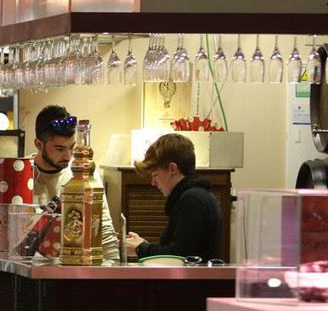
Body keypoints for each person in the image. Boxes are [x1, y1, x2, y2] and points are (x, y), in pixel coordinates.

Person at [32, 105, 120, 260]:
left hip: (74, 265)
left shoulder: (84, 173)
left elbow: (102, 227)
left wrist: (113, 264)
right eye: (59, 149)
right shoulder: (22, 174)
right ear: (39, 145)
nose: (68, 156)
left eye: (71, 147)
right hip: (31, 268)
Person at [126, 133, 223, 260]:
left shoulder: (191, 201)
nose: (153, 183)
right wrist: (144, 246)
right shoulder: (200, 196)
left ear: (172, 169)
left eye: (155, 175)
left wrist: (141, 248)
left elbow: (179, 256)